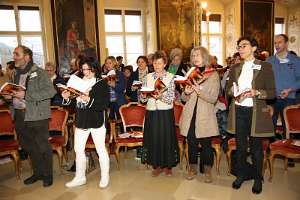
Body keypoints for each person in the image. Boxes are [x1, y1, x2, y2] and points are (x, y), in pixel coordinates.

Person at [226, 37, 275, 194]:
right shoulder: (235, 68)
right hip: (239, 110)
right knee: (240, 148)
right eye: (239, 46)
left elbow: (272, 92)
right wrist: (233, 92)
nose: (240, 49)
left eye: (244, 46)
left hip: (255, 113)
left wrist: (257, 92)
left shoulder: (265, 66)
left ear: (254, 48)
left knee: (256, 148)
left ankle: (258, 178)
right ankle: (241, 175)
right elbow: (228, 89)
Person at [4, 45, 56, 187]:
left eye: (17, 54)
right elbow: (15, 93)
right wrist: (8, 96)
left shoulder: (40, 72)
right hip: (20, 115)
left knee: (43, 146)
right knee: (29, 147)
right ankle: (37, 173)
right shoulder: (15, 73)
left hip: (37, 115)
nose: (14, 56)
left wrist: (27, 95)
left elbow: (50, 92)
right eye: (14, 54)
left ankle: (47, 175)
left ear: (26, 57)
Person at [62, 57, 110, 188]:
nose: (84, 72)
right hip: (81, 120)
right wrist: (67, 97)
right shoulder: (77, 81)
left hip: (96, 120)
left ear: (94, 68)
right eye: (82, 69)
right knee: (78, 150)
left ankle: (105, 176)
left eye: (87, 69)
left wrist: (89, 99)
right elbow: (72, 102)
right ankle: (79, 177)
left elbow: (104, 104)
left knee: (100, 149)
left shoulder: (101, 83)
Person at [179, 46, 220, 183]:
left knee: (206, 145)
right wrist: (187, 92)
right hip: (190, 114)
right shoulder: (191, 73)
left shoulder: (213, 74)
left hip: (205, 115)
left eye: (198, 55)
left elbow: (213, 98)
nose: (195, 58)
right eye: (193, 55)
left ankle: (207, 170)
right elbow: (183, 99)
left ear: (204, 57)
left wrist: (199, 91)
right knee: (191, 143)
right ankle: (192, 168)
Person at [140, 51, 179, 177]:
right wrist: (143, 96)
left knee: (166, 138)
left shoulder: (170, 77)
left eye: (160, 63)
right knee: (154, 139)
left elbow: (170, 98)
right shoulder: (148, 77)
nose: (157, 65)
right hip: (151, 112)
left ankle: (168, 166)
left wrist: (160, 96)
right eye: (155, 63)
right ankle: (156, 165)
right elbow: (143, 100)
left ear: (165, 64)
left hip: (165, 112)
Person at [267, 34, 300, 136]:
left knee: (288, 127)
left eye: (279, 42)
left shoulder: (295, 60)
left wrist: (290, 90)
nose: (277, 45)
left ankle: (287, 143)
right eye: (275, 43)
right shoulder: (269, 61)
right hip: (273, 98)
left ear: (286, 44)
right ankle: (271, 146)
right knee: (269, 125)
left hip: (289, 98)